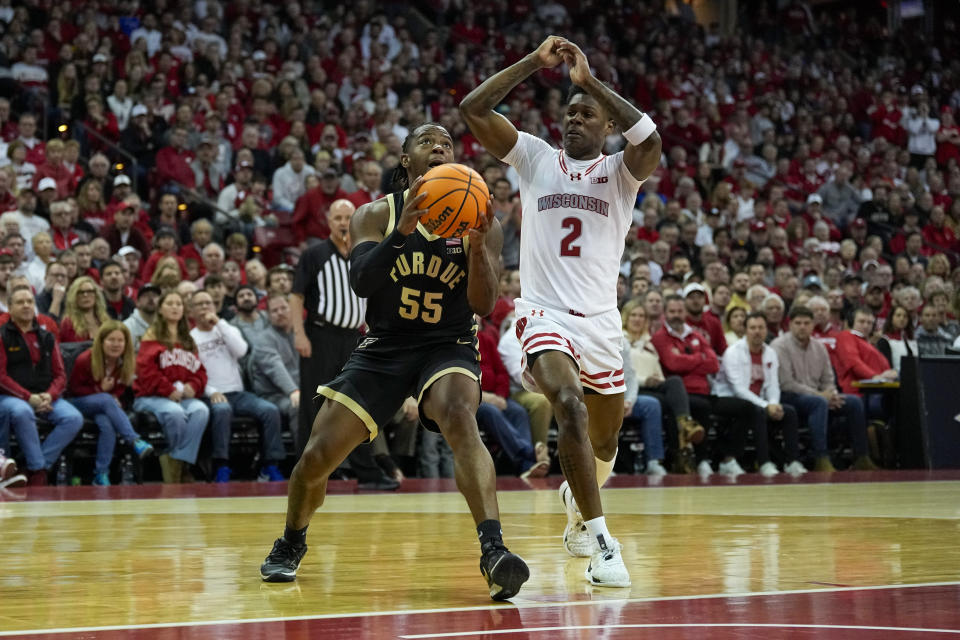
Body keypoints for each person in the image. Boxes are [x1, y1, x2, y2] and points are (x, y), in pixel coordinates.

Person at [260, 122, 531, 602]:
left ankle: (493, 549)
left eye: (447, 144)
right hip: (385, 344)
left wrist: (477, 249)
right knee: (315, 458)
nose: (440, 148)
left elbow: (484, 305)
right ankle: (292, 540)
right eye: (428, 141)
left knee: (460, 416)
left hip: (447, 341)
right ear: (406, 160)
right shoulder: (373, 214)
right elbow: (362, 282)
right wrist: (402, 233)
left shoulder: (477, 217)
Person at [460, 36, 662, 587]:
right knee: (568, 406)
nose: (574, 119)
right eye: (569, 113)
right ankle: (603, 544)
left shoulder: (622, 173)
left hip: (600, 322)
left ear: (604, 127)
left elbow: (650, 138)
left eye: (586, 114)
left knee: (604, 443)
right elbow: (473, 110)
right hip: (544, 313)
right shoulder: (534, 157)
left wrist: (589, 82)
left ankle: (576, 503)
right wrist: (534, 63)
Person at [287, 198, 393, 489]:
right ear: (328, 221)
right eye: (338, 218)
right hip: (320, 337)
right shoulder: (314, 255)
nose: (344, 223)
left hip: (354, 339)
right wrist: (299, 334)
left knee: (357, 405)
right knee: (313, 406)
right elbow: (296, 296)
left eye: (348, 217)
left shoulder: (364, 252)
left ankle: (367, 472)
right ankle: (306, 473)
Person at [189, 290, 284, 482]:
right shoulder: (190, 338)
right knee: (222, 410)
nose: (205, 307)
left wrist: (219, 324)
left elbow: (241, 351)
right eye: (200, 304)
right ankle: (221, 466)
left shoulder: (226, 328)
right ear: (191, 311)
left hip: (238, 393)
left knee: (270, 410)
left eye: (208, 302)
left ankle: (270, 465)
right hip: (210, 394)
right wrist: (211, 391)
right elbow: (192, 373)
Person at [771, 306, 878, 472]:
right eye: (798, 323)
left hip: (817, 397)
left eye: (806, 323)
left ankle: (861, 457)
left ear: (813, 325)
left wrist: (832, 394)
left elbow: (828, 379)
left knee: (854, 402)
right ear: (790, 325)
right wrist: (821, 395)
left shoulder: (819, 347)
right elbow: (787, 383)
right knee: (818, 402)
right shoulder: (779, 346)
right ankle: (821, 457)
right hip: (789, 397)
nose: (802, 327)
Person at [0, 286, 84, 486]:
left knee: (73, 418)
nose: (26, 306)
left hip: (45, 396)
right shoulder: (2, 336)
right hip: (11, 397)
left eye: (30, 301)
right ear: (9, 308)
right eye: (20, 302)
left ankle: (37, 465)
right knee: (21, 412)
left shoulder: (47, 336)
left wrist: (50, 396)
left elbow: (60, 375)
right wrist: (28, 397)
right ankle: (38, 472)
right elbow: (1, 376)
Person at [716, 312, 806, 477]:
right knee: (755, 412)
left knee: (789, 412)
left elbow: (773, 384)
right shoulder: (733, 352)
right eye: (753, 328)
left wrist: (773, 403)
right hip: (728, 398)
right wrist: (766, 406)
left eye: (761, 327)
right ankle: (764, 462)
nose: (757, 331)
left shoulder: (770, 352)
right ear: (745, 330)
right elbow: (739, 389)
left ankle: (792, 461)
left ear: (766, 330)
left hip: (759, 400)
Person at [133, 291, 210, 483]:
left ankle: (175, 460)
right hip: (150, 396)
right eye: (170, 303)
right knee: (175, 413)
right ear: (160, 309)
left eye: (179, 304)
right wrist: (167, 389)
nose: (175, 307)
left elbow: (200, 371)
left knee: (201, 410)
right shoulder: (152, 336)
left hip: (182, 396)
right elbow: (145, 371)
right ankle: (181, 470)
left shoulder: (188, 339)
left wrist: (194, 385)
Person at [621, 300, 702, 475]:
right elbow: (625, 373)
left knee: (674, 382)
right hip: (632, 389)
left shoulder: (649, 343)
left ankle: (684, 424)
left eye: (641, 316)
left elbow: (658, 371)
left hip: (653, 387)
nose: (637, 319)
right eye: (633, 315)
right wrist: (645, 381)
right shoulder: (620, 340)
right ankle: (667, 456)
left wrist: (658, 379)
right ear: (626, 318)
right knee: (659, 404)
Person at [66, 321, 154, 485]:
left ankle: (101, 474)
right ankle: (134, 440)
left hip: (103, 406)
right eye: (111, 340)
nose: (116, 344)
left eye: (120, 340)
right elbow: (74, 389)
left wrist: (113, 396)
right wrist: (101, 389)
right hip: (78, 402)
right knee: (106, 399)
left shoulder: (125, 363)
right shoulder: (85, 359)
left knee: (107, 425)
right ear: (101, 342)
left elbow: (119, 389)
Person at [251, 293, 300, 428]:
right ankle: (304, 449)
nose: (279, 313)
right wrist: (293, 391)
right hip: (274, 395)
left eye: (283, 308)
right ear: (268, 315)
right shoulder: (263, 339)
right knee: (299, 407)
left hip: (300, 391)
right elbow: (275, 368)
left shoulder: (300, 334)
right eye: (274, 310)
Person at [59, 276, 110, 343]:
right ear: (74, 297)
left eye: (89, 291)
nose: (85, 295)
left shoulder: (105, 320)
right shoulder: (68, 323)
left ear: (96, 295)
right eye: (80, 292)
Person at [876, 305, 917, 373]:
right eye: (898, 315)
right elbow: (886, 366)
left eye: (905, 316)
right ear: (891, 318)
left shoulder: (912, 340)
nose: (902, 319)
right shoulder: (885, 340)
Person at [124, 283, 161, 350]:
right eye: (145, 295)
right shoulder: (128, 326)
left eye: (154, 295)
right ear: (137, 302)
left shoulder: (165, 324)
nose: (151, 298)